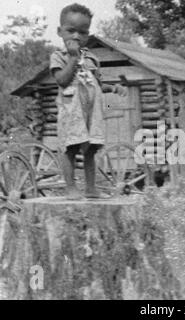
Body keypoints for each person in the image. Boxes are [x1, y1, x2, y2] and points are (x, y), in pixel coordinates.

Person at [50, 3, 128, 200]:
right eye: (71, 31)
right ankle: (71, 189)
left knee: (91, 148)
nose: (76, 36)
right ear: (60, 32)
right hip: (72, 110)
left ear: (88, 35)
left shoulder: (92, 59)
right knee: (71, 147)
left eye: (82, 32)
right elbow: (62, 80)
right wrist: (73, 58)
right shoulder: (59, 56)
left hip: (92, 111)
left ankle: (91, 188)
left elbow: (98, 84)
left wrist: (113, 88)